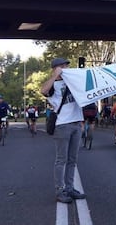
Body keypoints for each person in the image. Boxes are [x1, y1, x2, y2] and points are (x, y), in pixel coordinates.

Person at [41, 57, 86, 204]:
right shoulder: (53, 85)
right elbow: (43, 91)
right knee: (61, 159)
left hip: (76, 123)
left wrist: (81, 121)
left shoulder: (73, 83)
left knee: (73, 160)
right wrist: (55, 76)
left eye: (66, 65)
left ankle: (70, 188)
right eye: (62, 66)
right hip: (62, 125)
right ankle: (60, 191)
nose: (66, 68)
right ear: (56, 68)